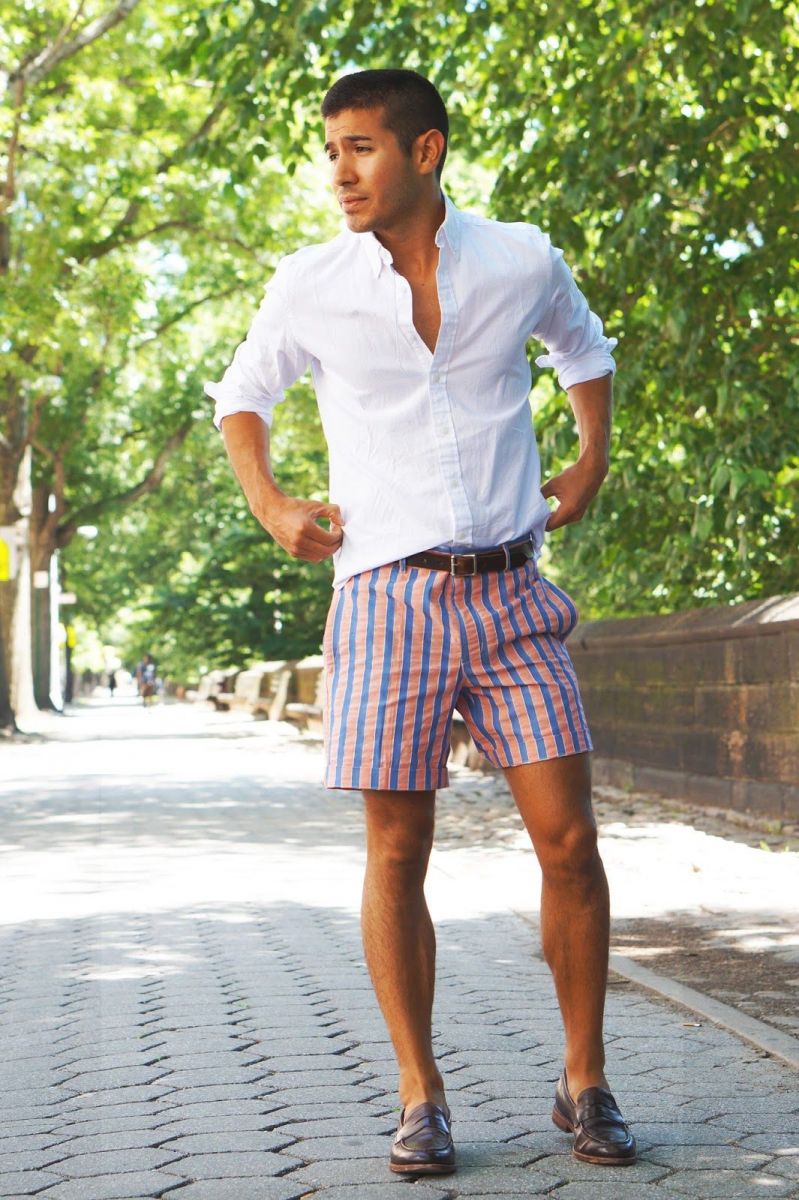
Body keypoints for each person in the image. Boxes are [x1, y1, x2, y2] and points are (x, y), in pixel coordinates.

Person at [205, 68, 635, 1177]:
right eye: (330, 152)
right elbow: (241, 395)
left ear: (425, 150)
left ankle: (584, 1080)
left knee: (569, 842)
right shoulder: (311, 283)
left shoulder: (520, 259)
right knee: (398, 850)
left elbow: (584, 349)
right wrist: (272, 505)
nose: (338, 173)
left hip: (511, 593)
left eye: (360, 149)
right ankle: (419, 1092)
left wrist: (589, 459)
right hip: (385, 601)